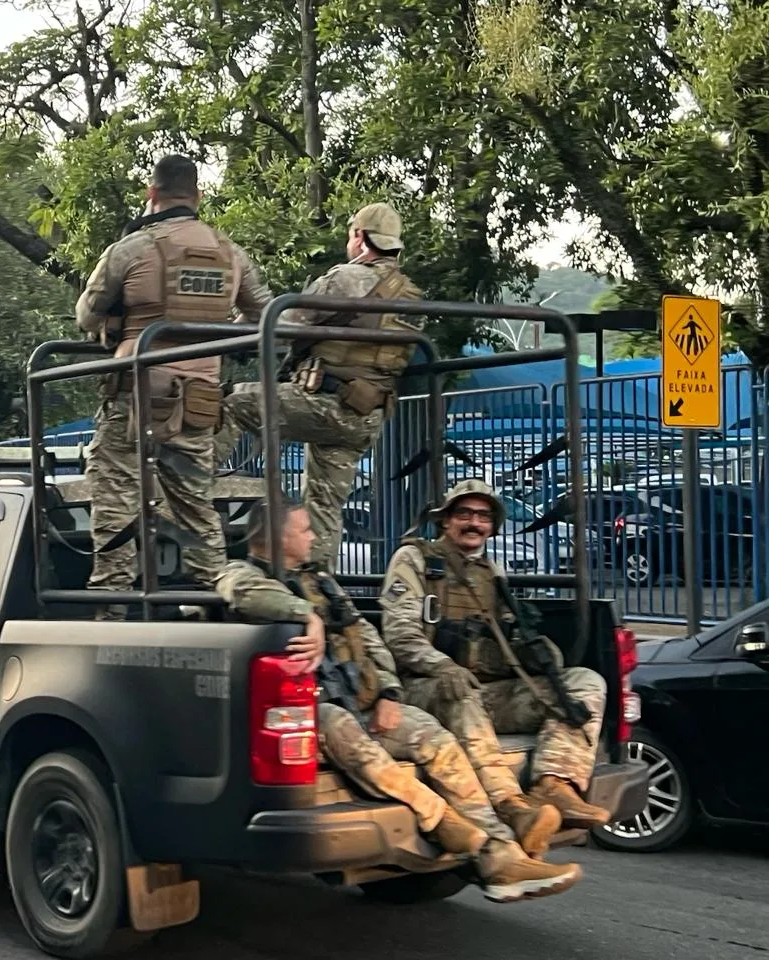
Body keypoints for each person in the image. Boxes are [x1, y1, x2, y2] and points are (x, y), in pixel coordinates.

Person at [217, 498, 582, 902]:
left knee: (435, 739)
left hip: (363, 697)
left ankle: (502, 855)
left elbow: (367, 636)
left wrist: (390, 691)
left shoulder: (320, 579)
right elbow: (242, 592)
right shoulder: (242, 574)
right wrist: (307, 615)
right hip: (309, 711)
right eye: (305, 529)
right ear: (276, 536)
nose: (313, 537)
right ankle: (448, 824)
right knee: (340, 726)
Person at [75, 154, 273, 617]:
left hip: (136, 401)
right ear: (198, 197)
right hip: (200, 402)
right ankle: (222, 606)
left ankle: (113, 614)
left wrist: (122, 323)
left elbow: (86, 314)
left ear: (152, 194)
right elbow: (263, 316)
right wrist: (217, 335)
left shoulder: (130, 249)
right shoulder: (230, 253)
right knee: (198, 512)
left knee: (116, 503)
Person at [380, 479, 613, 846]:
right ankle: (512, 807)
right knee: (460, 689)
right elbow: (400, 634)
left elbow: (507, 634)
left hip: (489, 691)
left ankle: (554, 784)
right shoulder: (416, 560)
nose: (474, 523)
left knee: (584, 681)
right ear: (446, 520)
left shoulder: (493, 572)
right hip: (423, 689)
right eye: (464, 514)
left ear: (493, 525)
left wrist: (534, 652)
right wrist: (441, 665)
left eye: (483, 516)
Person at [212, 202, 423, 572]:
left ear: (360, 238)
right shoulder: (412, 297)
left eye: (351, 233)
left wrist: (235, 328)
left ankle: (194, 483)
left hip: (326, 404)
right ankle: (320, 591)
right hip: (366, 417)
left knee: (233, 401)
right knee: (323, 508)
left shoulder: (346, 278)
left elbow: (283, 324)